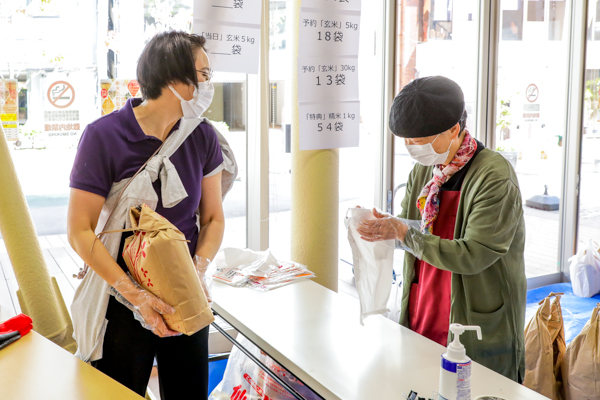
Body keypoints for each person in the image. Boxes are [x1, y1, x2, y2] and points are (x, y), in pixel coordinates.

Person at [67, 31, 226, 399]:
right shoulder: (104, 136)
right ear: (173, 80)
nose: (207, 83)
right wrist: (135, 296)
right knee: (118, 392)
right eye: (201, 74)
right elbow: (79, 230)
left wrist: (198, 271)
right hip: (119, 295)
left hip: (184, 287)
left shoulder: (203, 137)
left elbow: (214, 217)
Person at [357, 76, 526, 382]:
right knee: (421, 379)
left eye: (419, 141)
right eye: (407, 141)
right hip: (427, 301)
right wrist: (388, 229)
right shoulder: (425, 169)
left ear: (453, 130)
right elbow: (418, 230)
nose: (412, 148)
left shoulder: (494, 176)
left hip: (473, 314)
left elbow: (474, 254)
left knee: (474, 385)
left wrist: (403, 233)